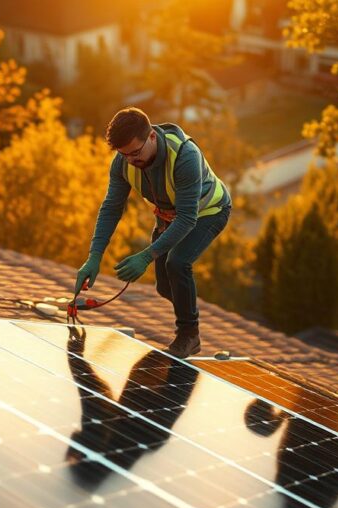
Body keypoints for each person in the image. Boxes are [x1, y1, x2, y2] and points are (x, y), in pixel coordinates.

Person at [75, 108, 231, 357]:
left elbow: (188, 217)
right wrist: (94, 256)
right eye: (123, 155)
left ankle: (189, 335)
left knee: (178, 263)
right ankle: (188, 312)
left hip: (210, 211)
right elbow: (111, 208)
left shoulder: (184, 156)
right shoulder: (124, 162)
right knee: (164, 287)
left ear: (151, 137)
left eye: (135, 153)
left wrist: (146, 256)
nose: (131, 161)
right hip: (170, 217)